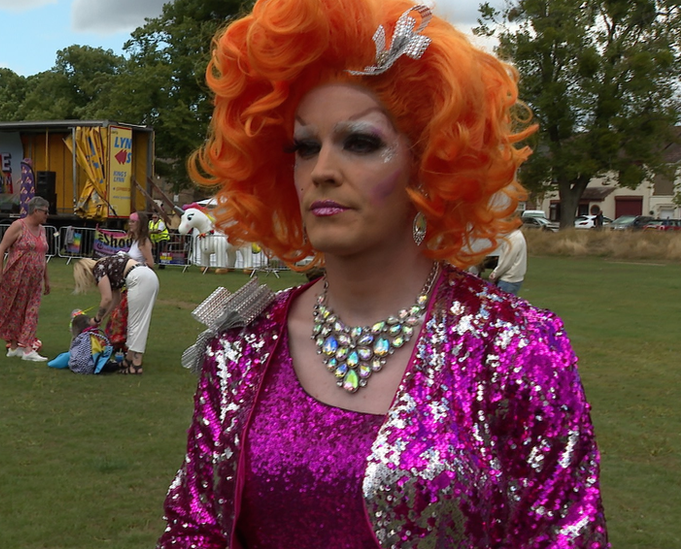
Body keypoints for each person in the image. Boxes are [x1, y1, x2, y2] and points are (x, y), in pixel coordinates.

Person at [158, 1, 608, 548]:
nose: (322, 169)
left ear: (429, 161)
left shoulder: (516, 346)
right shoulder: (240, 350)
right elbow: (194, 530)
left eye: (360, 142)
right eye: (305, 146)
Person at [72, 252, 159, 375]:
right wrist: (103, 317)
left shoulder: (98, 268)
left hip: (139, 279)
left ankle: (136, 365)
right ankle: (128, 360)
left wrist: (96, 319)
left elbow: (106, 298)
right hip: (147, 276)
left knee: (136, 324)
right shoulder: (108, 265)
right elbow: (116, 298)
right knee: (135, 322)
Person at [0, 196, 51, 361]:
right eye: (45, 212)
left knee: (32, 310)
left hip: (35, 279)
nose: (47, 215)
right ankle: (15, 347)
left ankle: (26, 348)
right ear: (35, 211)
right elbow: (2, 249)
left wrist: (47, 280)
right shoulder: (18, 226)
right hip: (16, 276)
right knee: (14, 311)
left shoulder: (43, 230)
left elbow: (42, 256)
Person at [107, 212, 156, 352]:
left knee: (122, 314)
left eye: (133, 222)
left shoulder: (143, 242)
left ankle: (121, 344)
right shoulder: (135, 240)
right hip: (129, 282)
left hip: (139, 281)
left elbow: (150, 263)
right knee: (119, 313)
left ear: (140, 224)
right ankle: (118, 343)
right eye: (129, 221)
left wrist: (131, 263)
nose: (130, 224)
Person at [489, 228, 527, 295]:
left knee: (502, 303)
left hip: (508, 280)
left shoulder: (514, 238)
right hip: (512, 279)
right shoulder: (514, 236)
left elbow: (507, 262)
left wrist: (495, 274)